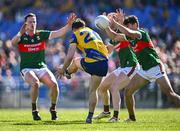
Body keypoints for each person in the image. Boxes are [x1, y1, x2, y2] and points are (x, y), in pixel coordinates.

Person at [110, 10, 180, 121]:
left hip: (155, 67)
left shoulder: (141, 33)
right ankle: (132, 118)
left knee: (170, 94)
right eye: (126, 26)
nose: (127, 28)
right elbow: (114, 36)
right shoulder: (130, 37)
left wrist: (119, 23)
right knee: (128, 92)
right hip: (144, 70)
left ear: (135, 25)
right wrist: (106, 26)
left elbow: (130, 33)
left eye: (129, 26)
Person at [11, 12, 76, 120]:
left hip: (41, 67)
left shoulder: (40, 34)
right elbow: (13, 43)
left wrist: (68, 25)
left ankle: (53, 109)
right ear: (25, 24)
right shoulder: (21, 37)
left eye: (34, 22)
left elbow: (58, 33)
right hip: (27, 68)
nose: (33, 24)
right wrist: (19, 33)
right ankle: (34, 110)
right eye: (30, 22)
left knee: (54, 85)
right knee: (35, 83)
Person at [56, 18, 109, 123]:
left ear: (73, 29)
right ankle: (93, 115)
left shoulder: (76, 34)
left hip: (92, 62)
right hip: (104, 63)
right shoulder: (93, 32)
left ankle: (67, 72)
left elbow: (70, 55)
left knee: (76, 61)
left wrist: (63, 68)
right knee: (94, 90)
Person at [93, 12, 139, 122]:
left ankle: (116, 116)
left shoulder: (124, 34)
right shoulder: (113, 36)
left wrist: (106, 25)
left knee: (114, 88)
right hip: (122, 67)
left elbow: (114, 35)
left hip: (131, 65)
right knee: (102, 88)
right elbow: (108, 50)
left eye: (112, 18)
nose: (110, 20)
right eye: (109, 18)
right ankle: (106, 111)